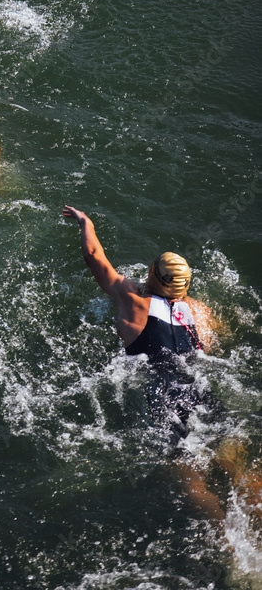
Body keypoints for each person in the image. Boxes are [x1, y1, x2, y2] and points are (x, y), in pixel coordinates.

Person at [61, 205, 261, 524]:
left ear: (152, 275)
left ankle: (227, 543)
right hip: (202, 391)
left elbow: (94, 258)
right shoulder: (200, 312)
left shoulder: (132, 298)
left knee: (190, 479)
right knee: (239, 470)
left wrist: (85, 222)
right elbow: (213, 350)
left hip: (165, 395)